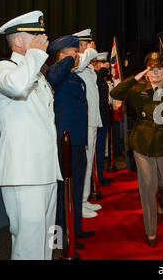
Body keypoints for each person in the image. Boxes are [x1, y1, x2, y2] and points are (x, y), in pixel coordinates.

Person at [0, 11, 62, 259]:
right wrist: (34, 56)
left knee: (44, 244)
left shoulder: (37, 74)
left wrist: (35, 58)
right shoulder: (4, 68)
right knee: (29, 247)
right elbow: (16, 86)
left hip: (45, 171)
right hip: (24, 173)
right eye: (37, 35)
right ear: (19, 42)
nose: (44, 39)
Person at [110, 52, 163, 247]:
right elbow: (115, 93)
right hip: (142, 144)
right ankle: (151, 231)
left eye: (159, 69)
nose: (156, 72)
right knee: (148, 186)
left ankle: (162, 205)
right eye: (152, 69)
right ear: (147, 73)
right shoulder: (137, 89)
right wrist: (136, 76)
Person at [46, 35, 96, 242]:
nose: (77, 56)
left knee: (74, 188)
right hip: (65, 141)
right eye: (73, 52)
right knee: (62, 190)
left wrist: (72, 59)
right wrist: (68, 59)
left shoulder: (74, 75)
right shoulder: (56, 72)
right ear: (61, 55)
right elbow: (53, 77)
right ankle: (60, 237)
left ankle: (75, 230)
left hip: (77, 140)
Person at [72, 29, 102, 218]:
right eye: (88, 44)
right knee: (83, 162)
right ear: (81, 45)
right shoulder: (76, 62)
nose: (91, 47)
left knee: (89, 161)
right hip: (85, 121)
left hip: (92, 120)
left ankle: (83, 199)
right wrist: (90, 51)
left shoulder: (87, 66)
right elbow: (81, 63)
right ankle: (79, 203)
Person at [92, 52, 113, 186]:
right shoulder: (92, 76)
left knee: (100, 150)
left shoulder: (102, 77)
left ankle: (99, 176)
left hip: (103, 118)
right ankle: (96, 178)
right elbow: (97, 80)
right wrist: (104, 69)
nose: (102, 65)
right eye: (99, 63)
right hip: (96, 119)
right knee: (96, 150)